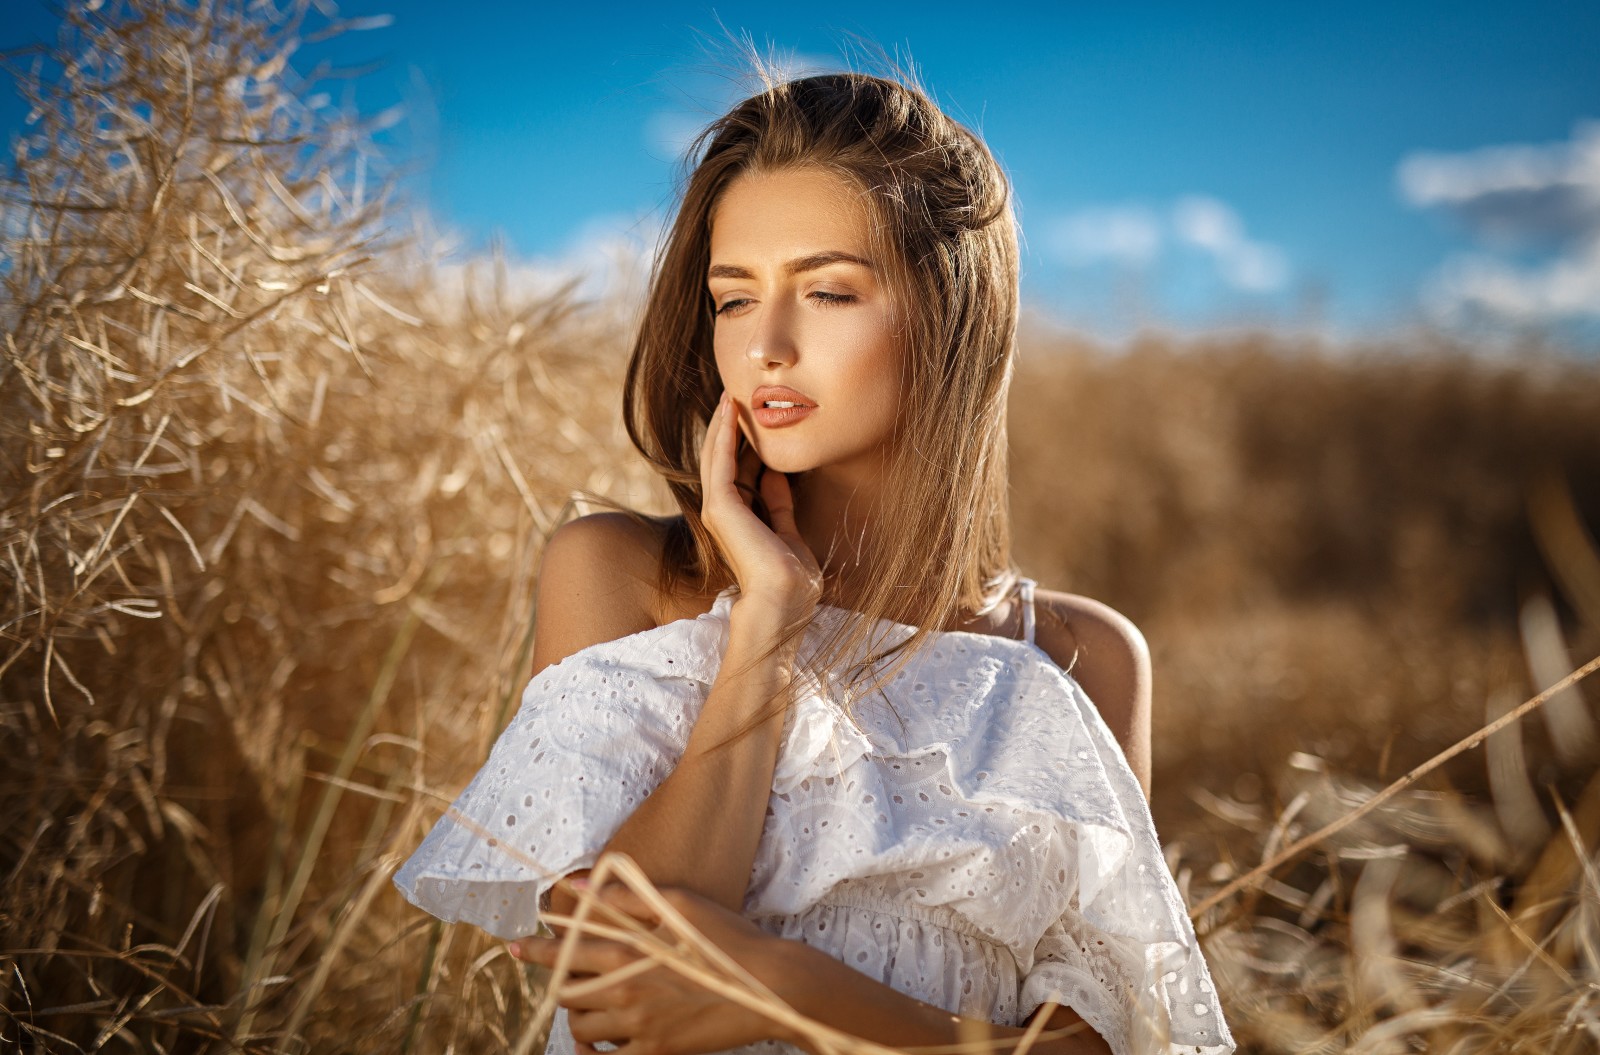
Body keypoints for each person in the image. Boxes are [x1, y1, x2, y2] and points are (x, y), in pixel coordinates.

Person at [395, 67, 1234, 1055]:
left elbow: (1112, 1043)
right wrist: (768, 621)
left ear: (951, 314)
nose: (767, 347)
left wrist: (790, 991)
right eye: (734, 297)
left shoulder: (1077, 653)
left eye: (829, 290)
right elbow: (613, 985)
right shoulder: (619, 573)